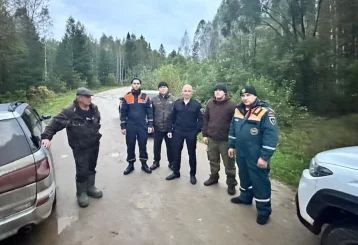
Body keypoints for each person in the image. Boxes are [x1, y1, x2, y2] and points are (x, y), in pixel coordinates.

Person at [41, 87, 103, 208]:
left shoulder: (94, 108)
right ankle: (81, 193)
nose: (90, 99)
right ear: (79, 98)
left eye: (90, 96)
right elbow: (54, 123)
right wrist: (46, 137)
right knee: (82, 170)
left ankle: (90, 187)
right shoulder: (70, 112)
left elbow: (97, 121)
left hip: (94, 143)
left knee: (91, 166)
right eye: (87, 97)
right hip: (79, 146)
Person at [228, 85, 279, 225]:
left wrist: (265, 157)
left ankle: (264, 211)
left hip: (256, 154)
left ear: (255, 96)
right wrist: (231, 145)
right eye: (243, 96)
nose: (245, 98)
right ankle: (245, 197)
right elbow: (233, 129)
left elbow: (271, 136)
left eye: (248, 95)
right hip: (241, 151)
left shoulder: (265, 112)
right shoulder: (238, 110)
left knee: (259, 181)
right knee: (244, 175)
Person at [202, 82, 238, 195]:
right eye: (216, 90)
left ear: (225, 92)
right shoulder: (210, 103)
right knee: (213, 160)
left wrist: (233, 141)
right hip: (212, 138)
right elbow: (205, 120)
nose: (217, 91)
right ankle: (214, 177)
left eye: (220, 90)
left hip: (226, 140)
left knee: (229, 164)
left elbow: (236, 123)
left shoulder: (232, 105)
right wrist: (204, 135)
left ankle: (231, 183)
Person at [166, 84, 203, 185]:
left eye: (188, 91)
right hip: (178, 132)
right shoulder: (177, 103)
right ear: (182, 92)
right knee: (176, 153)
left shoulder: (196, 105)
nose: (186, 93)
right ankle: (176, 172)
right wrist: (170, 130)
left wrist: (197, 130)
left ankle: (192, 174)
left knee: (192, 154)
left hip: (191, 132)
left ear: (192, 92)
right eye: (185, 91)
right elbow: (171, 118)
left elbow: (201, 119)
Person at [120, 77, 154, 175]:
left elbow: (149, 112)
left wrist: (150, 125)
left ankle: (144, 164)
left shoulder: (145, 97)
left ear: (140, 85)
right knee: (130, 145)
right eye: (134, 83)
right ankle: (130, 164)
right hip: (130, 125)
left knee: (143, 144)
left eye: (138, 83)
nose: (136, 85)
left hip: (142, 125)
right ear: (131, 85)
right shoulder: (127, 97)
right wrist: (123, 126)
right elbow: (123, 113)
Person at [150, 81, 177, 171]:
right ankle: (156, 162)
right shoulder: (154, 100)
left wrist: (174, 126)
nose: (163, 88)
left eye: (164, 87)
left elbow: (176, 114)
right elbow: (151, 114)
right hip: (157, 127)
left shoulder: (174, 100)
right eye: (161, 87)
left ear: (167, 88)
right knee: (156, 146)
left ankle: (171, 162)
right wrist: (151, 125)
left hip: (169, 128)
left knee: (170, 146)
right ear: (158, 89)